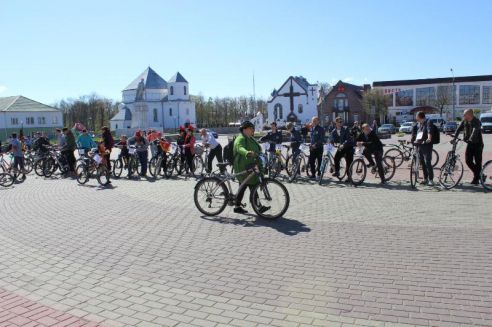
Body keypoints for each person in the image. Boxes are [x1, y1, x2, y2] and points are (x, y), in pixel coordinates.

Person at [233, 121, 268, 214]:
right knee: (252, 184)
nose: (253, 130)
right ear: (244, 129)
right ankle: (258, 207)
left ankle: (237, 206)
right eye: (251, 128)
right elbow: (239, 147)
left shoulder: (250, 138)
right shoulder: (240, 138)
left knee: (243, 186)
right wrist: (246, 152)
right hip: (242, 166)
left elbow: (258, 148)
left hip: (250, 165)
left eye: (253, 128)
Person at [453, 108, 484, 185]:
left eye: (464, 114)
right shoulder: (465, 121)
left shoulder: (477, 121)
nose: (463, 116)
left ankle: (476, 179)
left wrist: (470, 138)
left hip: (478, 144)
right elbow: (458, 129)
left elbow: (475, 130)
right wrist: (454, 138)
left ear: (470, 115)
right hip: (470, 144)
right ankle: (481, 175)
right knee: (468, 161)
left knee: (478, 162)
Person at [411, 111, 434, 186]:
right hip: (420, 145)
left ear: (420, 116)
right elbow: (418, 133)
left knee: (427, 162)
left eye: (416, 116)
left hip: (427, 145)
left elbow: (429, 130)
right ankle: (425, 178)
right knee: (422, 163)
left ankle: (431, 180)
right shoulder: (419, 124)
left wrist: (429, 138)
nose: (416, 118)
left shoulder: (428, 122)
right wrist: (415, 140)